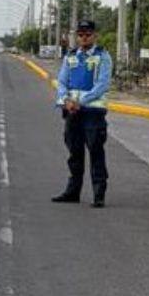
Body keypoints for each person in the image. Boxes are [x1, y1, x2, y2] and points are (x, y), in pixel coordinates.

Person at [52, 20, 113, 207]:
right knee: (74, 152)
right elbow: (62, 81)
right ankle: (73, 191)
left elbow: (102, 85)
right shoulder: (70, 56)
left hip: (92, 112)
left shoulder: (103, 56)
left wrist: (80, 102)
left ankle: (99, 193)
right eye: (80, 35)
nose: (83, 38)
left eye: (87, 34)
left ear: (94, 36)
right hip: (72, 112)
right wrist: (65, 100)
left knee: (95, 151)